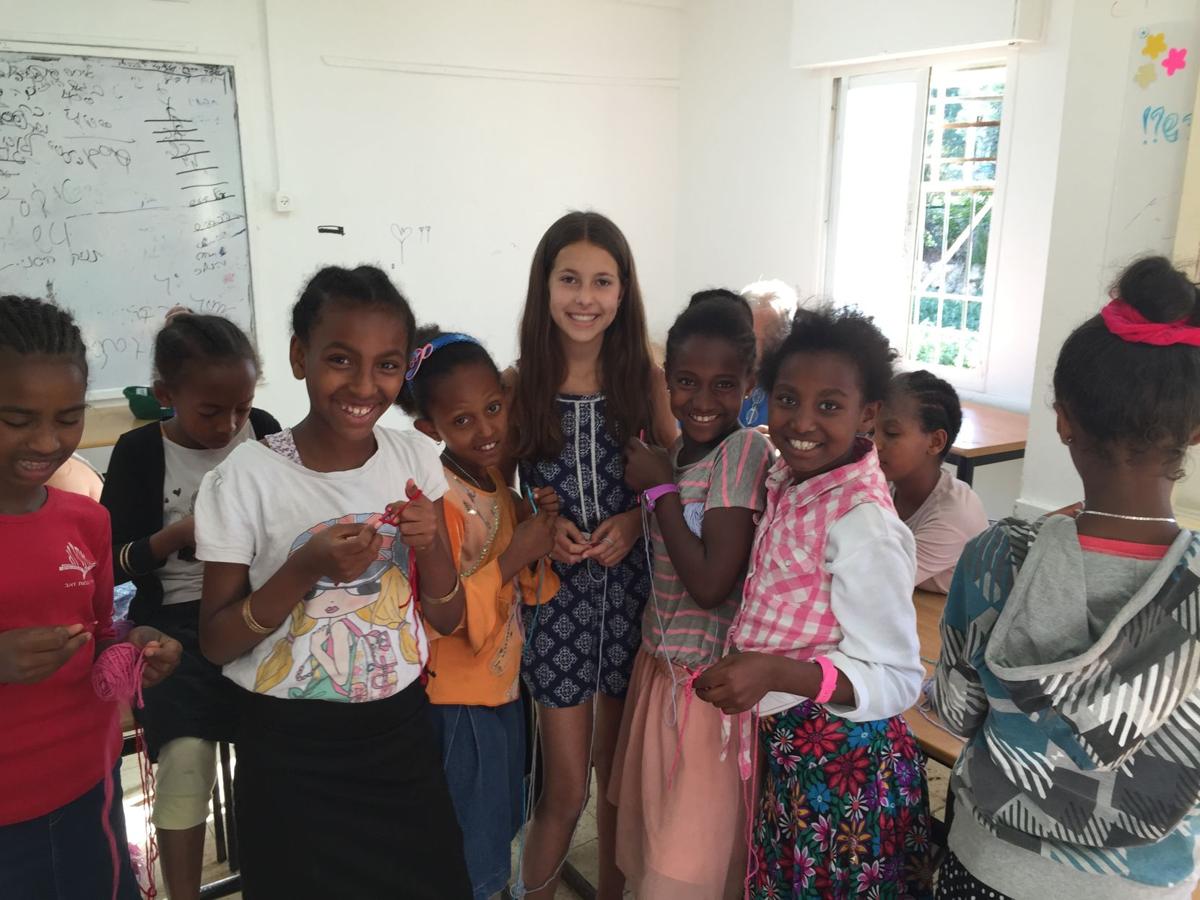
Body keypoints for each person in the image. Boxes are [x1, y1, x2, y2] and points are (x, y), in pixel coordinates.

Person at [195, 266, 472, 899]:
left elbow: (449, 619)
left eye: (387, 366)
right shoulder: (247, 478)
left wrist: (428, 546)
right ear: (300, 356)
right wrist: (304, 569)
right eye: (341, 360)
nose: (364, 385)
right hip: (289, 754)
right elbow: (214, 641)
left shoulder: (414, 461)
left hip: (398, 739)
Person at [933, 256, 1200, 899]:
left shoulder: (999, 556)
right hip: (1138, 885)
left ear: (1063, 420)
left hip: (990, 860)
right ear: (1195, 431)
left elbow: (954, 708)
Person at [696, 305, 932, 899]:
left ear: (867, 415)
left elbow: (900, 677)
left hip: (846, 768)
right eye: (786, 399)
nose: (802, 421)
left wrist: (775, 670)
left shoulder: (863, 523)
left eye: (829, 405)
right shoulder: (792, 480)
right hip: (793, 754)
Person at [510, 211, 677, 899]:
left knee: (617, 786)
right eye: (570, 279)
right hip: (554, 610)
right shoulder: (516, 384)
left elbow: (678, 478)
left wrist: (637, 522)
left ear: (624, 288)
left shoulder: (648, 379)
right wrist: (537, 528)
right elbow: (490, 498)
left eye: (602, 281)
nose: (586, 297)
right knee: (566, 789)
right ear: (544, 287)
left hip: (635, 603)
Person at [0, 295, 181, 900]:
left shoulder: (86, 520)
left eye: (68, 416)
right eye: (17, 418)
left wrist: (137, 647)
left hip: (90, 788)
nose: (47, 441)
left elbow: (100, 629)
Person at [101, 312, 280, 900]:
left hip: (259, 612)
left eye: (242, 407)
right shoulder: (137, 453)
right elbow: (112, 563)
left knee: (276, 760)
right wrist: (177, 536)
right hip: (176, 628)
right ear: (164, 397)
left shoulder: (267, 432)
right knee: (184, 761)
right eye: (210, 411)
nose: (230, 426)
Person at [610, 289, 773, 898]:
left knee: (688, 865)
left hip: (706, 692)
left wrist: (659, 494)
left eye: (723, 385)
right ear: (666, 379)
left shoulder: (743, 451)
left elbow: (709, 585)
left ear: (749, 381)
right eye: (686, 382)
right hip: (662, 672)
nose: (702, 402)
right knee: (655, 844)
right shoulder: (676, 453)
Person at [398, 324, 560, 900]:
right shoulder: (436, 499)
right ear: (429, 428)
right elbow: (447, 611)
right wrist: (521, 550)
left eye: (493, 408)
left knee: (496, 820)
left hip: (500, 688)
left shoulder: (491, 478)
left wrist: (537, 524)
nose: (488, 429)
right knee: (474, 845)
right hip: (459, 696)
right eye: (463, 420)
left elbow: (527, 580)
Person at [875, 370, 987, 592]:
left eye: (891, 433)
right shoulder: (883, 485)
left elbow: (880, 581)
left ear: (935, 442)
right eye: (870, 431)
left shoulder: (954, 515)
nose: (874, 444)